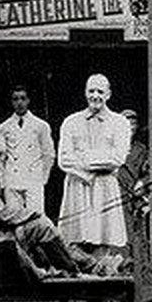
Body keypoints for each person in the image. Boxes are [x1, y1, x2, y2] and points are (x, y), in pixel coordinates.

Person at [0, 134, 107, 277]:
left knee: (45, 228)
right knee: (42, 226)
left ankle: (85, 266)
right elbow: (1, 214)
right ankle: (77, 269)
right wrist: (32, 215)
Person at [57, 74, 130, 263]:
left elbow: (118, 158)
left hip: (105, 186)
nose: (95, 95)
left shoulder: (120, 123)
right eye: (91, 91)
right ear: (85, 93)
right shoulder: (71, 122)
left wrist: (83, 158)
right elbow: (64, 159)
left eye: (100, 91)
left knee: (103, 236)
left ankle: (102, 270)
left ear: (108, 94)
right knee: (76, 236)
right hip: (77, 186)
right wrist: (97, 161)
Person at [0, 84, 55, 215]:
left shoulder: (40, 126)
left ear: (28, 100)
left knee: (36, 217)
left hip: (33, 178)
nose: (19, 103)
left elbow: (48, 154)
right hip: (12, 178)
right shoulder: (4, 127)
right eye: (16, 99)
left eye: (23, 98)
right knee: (14, 216)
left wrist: (42, 178)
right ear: (12, 102)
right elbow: (1, 157)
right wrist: (3, 181)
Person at [117, 109, 149, 253]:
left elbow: (149, 171)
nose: (130, 127)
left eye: (133, 124)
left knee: (135, 233)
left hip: (132, 197)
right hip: (114, 195)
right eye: (126, 123)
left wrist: (142, 183)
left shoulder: (141, 150)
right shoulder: (111, 147)